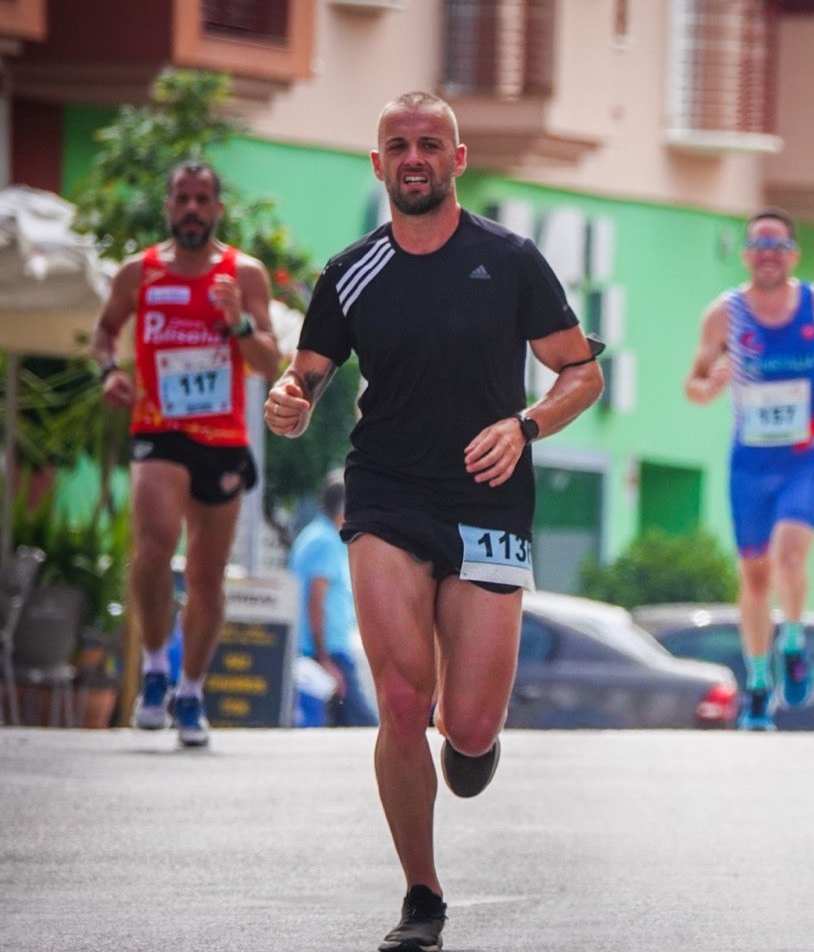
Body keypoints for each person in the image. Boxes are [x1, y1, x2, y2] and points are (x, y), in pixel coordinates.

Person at [266, 91, 603, 952]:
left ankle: (471, 739)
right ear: (378, 165)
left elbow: (579, 373)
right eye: (396, 145)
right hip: (387, 489)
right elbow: (305, 377)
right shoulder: (350, 271)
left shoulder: (513, 259)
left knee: (473, 727)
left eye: (430, 143)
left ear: (457, 159)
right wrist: (289, 398)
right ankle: (422, 896)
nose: (413, 157)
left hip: (489, 495)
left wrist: (524, 425)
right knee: (404, 697)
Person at [93, 161, 280, 748]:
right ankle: (153, 667)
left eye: (203, 199)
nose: (193, 209)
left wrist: (237, 323)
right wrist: (108, 371)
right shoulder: (138, 273)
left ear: (217, 209)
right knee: (152, 547)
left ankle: (191, 691)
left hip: (221, 439)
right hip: (159, 427)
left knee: (205, 575)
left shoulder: (243, 274)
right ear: (169, 207)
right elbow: (104, 332)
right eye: (183, 199)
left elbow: (269, 362)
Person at [685, 208, 814, 730]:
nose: (768, 255)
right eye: (759, 246)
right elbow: (693, 384)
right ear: (746, 255)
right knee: (754, 577)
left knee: (790, 556)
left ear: (792, 254)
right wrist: (710, 385)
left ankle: (794, 643)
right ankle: (760, 683)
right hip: (749, 461)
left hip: (803, 456)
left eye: (778, 246)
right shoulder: (725, 315)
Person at [289, 474, 377, 728]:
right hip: (328, 654)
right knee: (367, 726)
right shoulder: (325, 541)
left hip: (323, 651)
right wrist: (325, 659)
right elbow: (315, 601)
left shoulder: (315, 535)